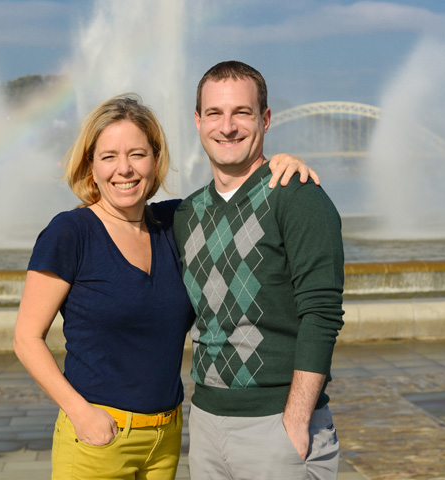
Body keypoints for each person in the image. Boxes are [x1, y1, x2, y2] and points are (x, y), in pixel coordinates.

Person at [13, 93, 316, 479]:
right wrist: (81, 413)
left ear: (155, 161)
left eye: (137, 155)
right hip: (97, 439)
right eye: (108, 157)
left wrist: (277, 167)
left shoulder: (175, 224)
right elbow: (26, 337)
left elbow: (235, 193)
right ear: (91, 166)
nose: (124, 169)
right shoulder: (71, 233)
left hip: (166, 438)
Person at [173, 61, 344, 479]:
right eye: (214, 113)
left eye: (242, 113)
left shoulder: (298, 198)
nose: (227, 127)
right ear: (198, 121)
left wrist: (296, 423)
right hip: (206, 424)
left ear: (265, 119)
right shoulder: (184, 214)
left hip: (277, 425)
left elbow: (321, 315)